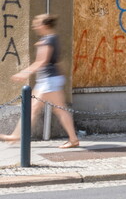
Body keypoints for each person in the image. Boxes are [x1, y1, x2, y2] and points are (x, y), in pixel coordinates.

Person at [0, 14, 80, 149]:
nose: (35, 27)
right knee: (47, 110)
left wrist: (24, 73)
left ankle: (17, 135)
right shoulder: (50, 38)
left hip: (48, 81)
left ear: (44, 25)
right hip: (48, 80)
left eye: (37, 24)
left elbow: (42, 61)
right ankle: (73, 139)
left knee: (39, 110)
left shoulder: (48, 40)